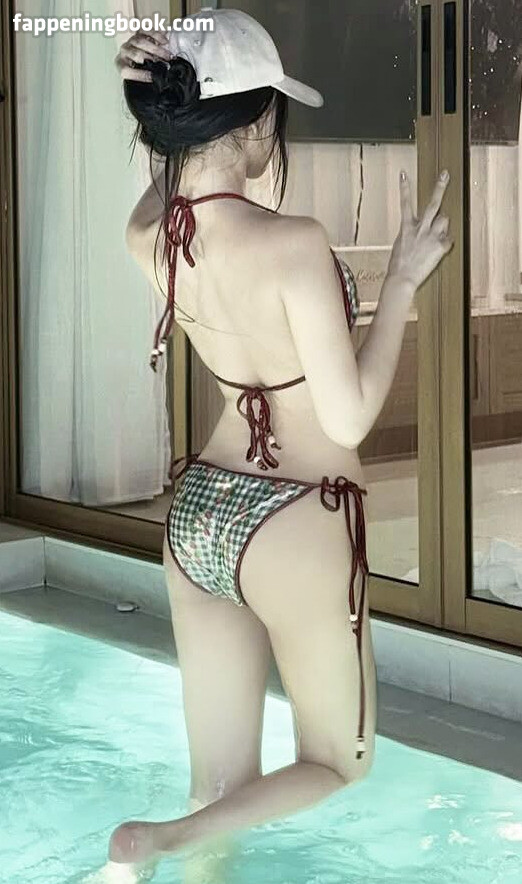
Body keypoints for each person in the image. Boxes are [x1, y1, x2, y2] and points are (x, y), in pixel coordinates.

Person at [110, 6, 453, 875]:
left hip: (198, 514)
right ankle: (160, 841)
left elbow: (165, 178)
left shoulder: (148, 237)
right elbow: (348, 418)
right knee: (338, 761)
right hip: (297, 516)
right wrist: (401, 283)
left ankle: (173, 852)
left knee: (218, 784)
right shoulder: (294, 243)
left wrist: (145, 84)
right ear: (259, 119)